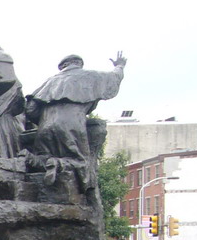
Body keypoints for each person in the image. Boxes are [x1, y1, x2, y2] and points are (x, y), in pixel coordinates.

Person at [25, 52, 125, 191]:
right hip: (72, 126)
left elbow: (30, 109)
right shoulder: (91, 76)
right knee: (81, 162)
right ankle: (57, 164)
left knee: (42, 156)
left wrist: (42, 121)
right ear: (79, 64)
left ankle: (30, 158)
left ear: (63, 66)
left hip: (45, 127)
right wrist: (119, 66)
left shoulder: (50, 81)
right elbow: (113, 79)